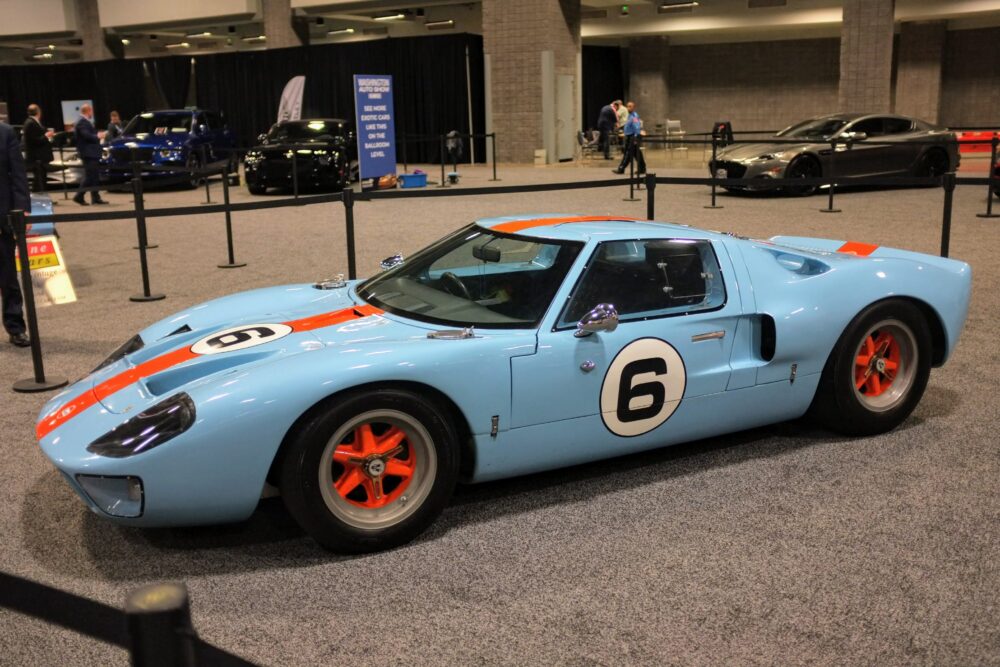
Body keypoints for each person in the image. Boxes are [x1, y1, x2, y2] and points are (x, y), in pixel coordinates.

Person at [0, 121, 31, 347]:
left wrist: (22, 209)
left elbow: (18, 173)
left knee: (8, 276)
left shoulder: (5, 133)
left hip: (2, 217)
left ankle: (15, 326)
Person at [73, 104, 107, 206]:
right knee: (90, 176)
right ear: (88, 111)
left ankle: (95, 197)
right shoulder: (81, 122)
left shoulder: (84, 121)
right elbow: (86, 135)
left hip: (91, 153)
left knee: (94, 176)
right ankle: (79, 196)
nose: (92, 113)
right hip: (88, 153)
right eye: (91, 111)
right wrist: (98, 136)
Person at [22, 104, 53, 192]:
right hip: (37, 157)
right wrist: (46, 136)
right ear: (38, 111)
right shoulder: (30, 123)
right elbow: (34, 140)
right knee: (39, 179)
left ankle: (42, 197)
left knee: (41, 178)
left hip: (40, 157)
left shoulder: (34, 122)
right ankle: (39, 198)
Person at [613, 101, 647, 176]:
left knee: (628, 154)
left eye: (630, 106)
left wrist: (635, 138)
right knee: (637, 154)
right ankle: (642, 168)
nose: (628, 108)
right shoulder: (629, 115)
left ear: (634, 107)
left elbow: (637, 127)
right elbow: (629, 126)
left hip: (632, 137)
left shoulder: (634, 116)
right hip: (629, 136)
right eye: (628, 106)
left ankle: (621, 169)